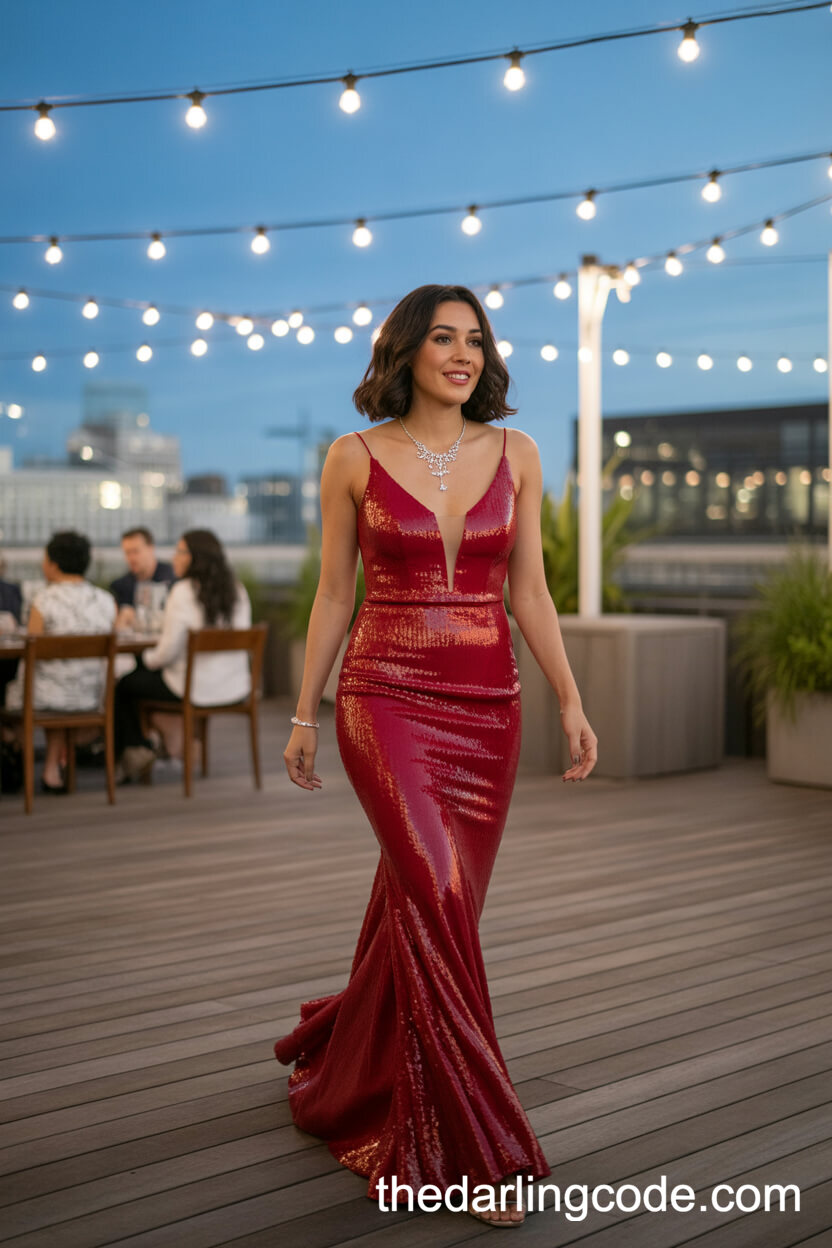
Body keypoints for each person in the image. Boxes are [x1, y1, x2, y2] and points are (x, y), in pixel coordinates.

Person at [274, 284, 598, 1227]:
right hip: (385, 701)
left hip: (489, 710)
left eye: (476, 340)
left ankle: (354, 1067)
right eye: (443, 338)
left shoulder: (520, 453)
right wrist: (303, 714)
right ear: (406, 351)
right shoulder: (354, 456)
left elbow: (531, 594)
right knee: (442, 900)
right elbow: (335, 594)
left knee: (427, 910)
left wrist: (571, 701)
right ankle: (474, 1150)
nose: (463, 354)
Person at [113, 529, 252, 783]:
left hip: (193, 688)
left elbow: (165, 654)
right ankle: (157, 745)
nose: (174, 557)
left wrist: (144, 659)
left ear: (194, 557)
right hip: (235, 686)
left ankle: (138, 748)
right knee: (141, 677)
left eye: (179, 551)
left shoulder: (183, 592)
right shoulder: (238, 591)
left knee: (125, 684)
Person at [4, 531, 116, 792]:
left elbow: (31, 647)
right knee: (60, 685)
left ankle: (17, 751)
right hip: (92, 696)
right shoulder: (106, 600)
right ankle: (51, 770)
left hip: (45, 698)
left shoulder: (44, 600)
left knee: (27, 686)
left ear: (53, 564)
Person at [109, 527, 175, 629]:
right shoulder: (120, 587)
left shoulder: (172, 578)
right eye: (127, 553)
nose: (131, 558)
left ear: (151, 548)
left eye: (135, 551)